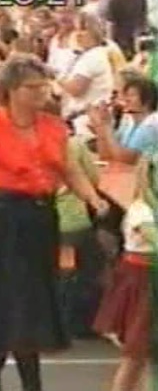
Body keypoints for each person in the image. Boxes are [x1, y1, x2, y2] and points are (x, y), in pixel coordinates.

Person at [0, 55, 108, 391]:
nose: (41, 93)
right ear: (11, 90)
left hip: (41, 219)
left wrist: (92, 198)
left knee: (31, 300)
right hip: (4, 221)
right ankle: (22, 379)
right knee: (13, 298)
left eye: (43, 86)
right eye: (32, 87)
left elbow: (70, 170)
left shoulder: (54, 127)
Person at [93, 157, 158, 391]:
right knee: (136, 352)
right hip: (141, 281)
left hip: (148, 278)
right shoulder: (142, 211)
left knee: (146, 356)